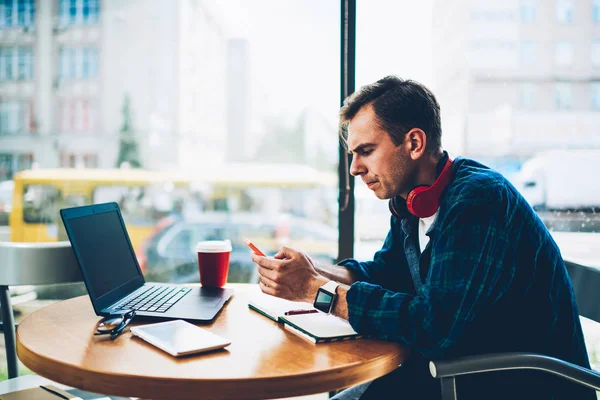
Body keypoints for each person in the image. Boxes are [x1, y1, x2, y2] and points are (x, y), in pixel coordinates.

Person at [251, 76, 595, 400]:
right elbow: (387, 272)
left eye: (366, 151)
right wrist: (313, 272)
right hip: (456, 371)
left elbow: (434, 326)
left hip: (511, 383)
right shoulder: (409, 199)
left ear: (414, 143)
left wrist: (316, 291)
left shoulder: (478, 200)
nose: (354, 168)